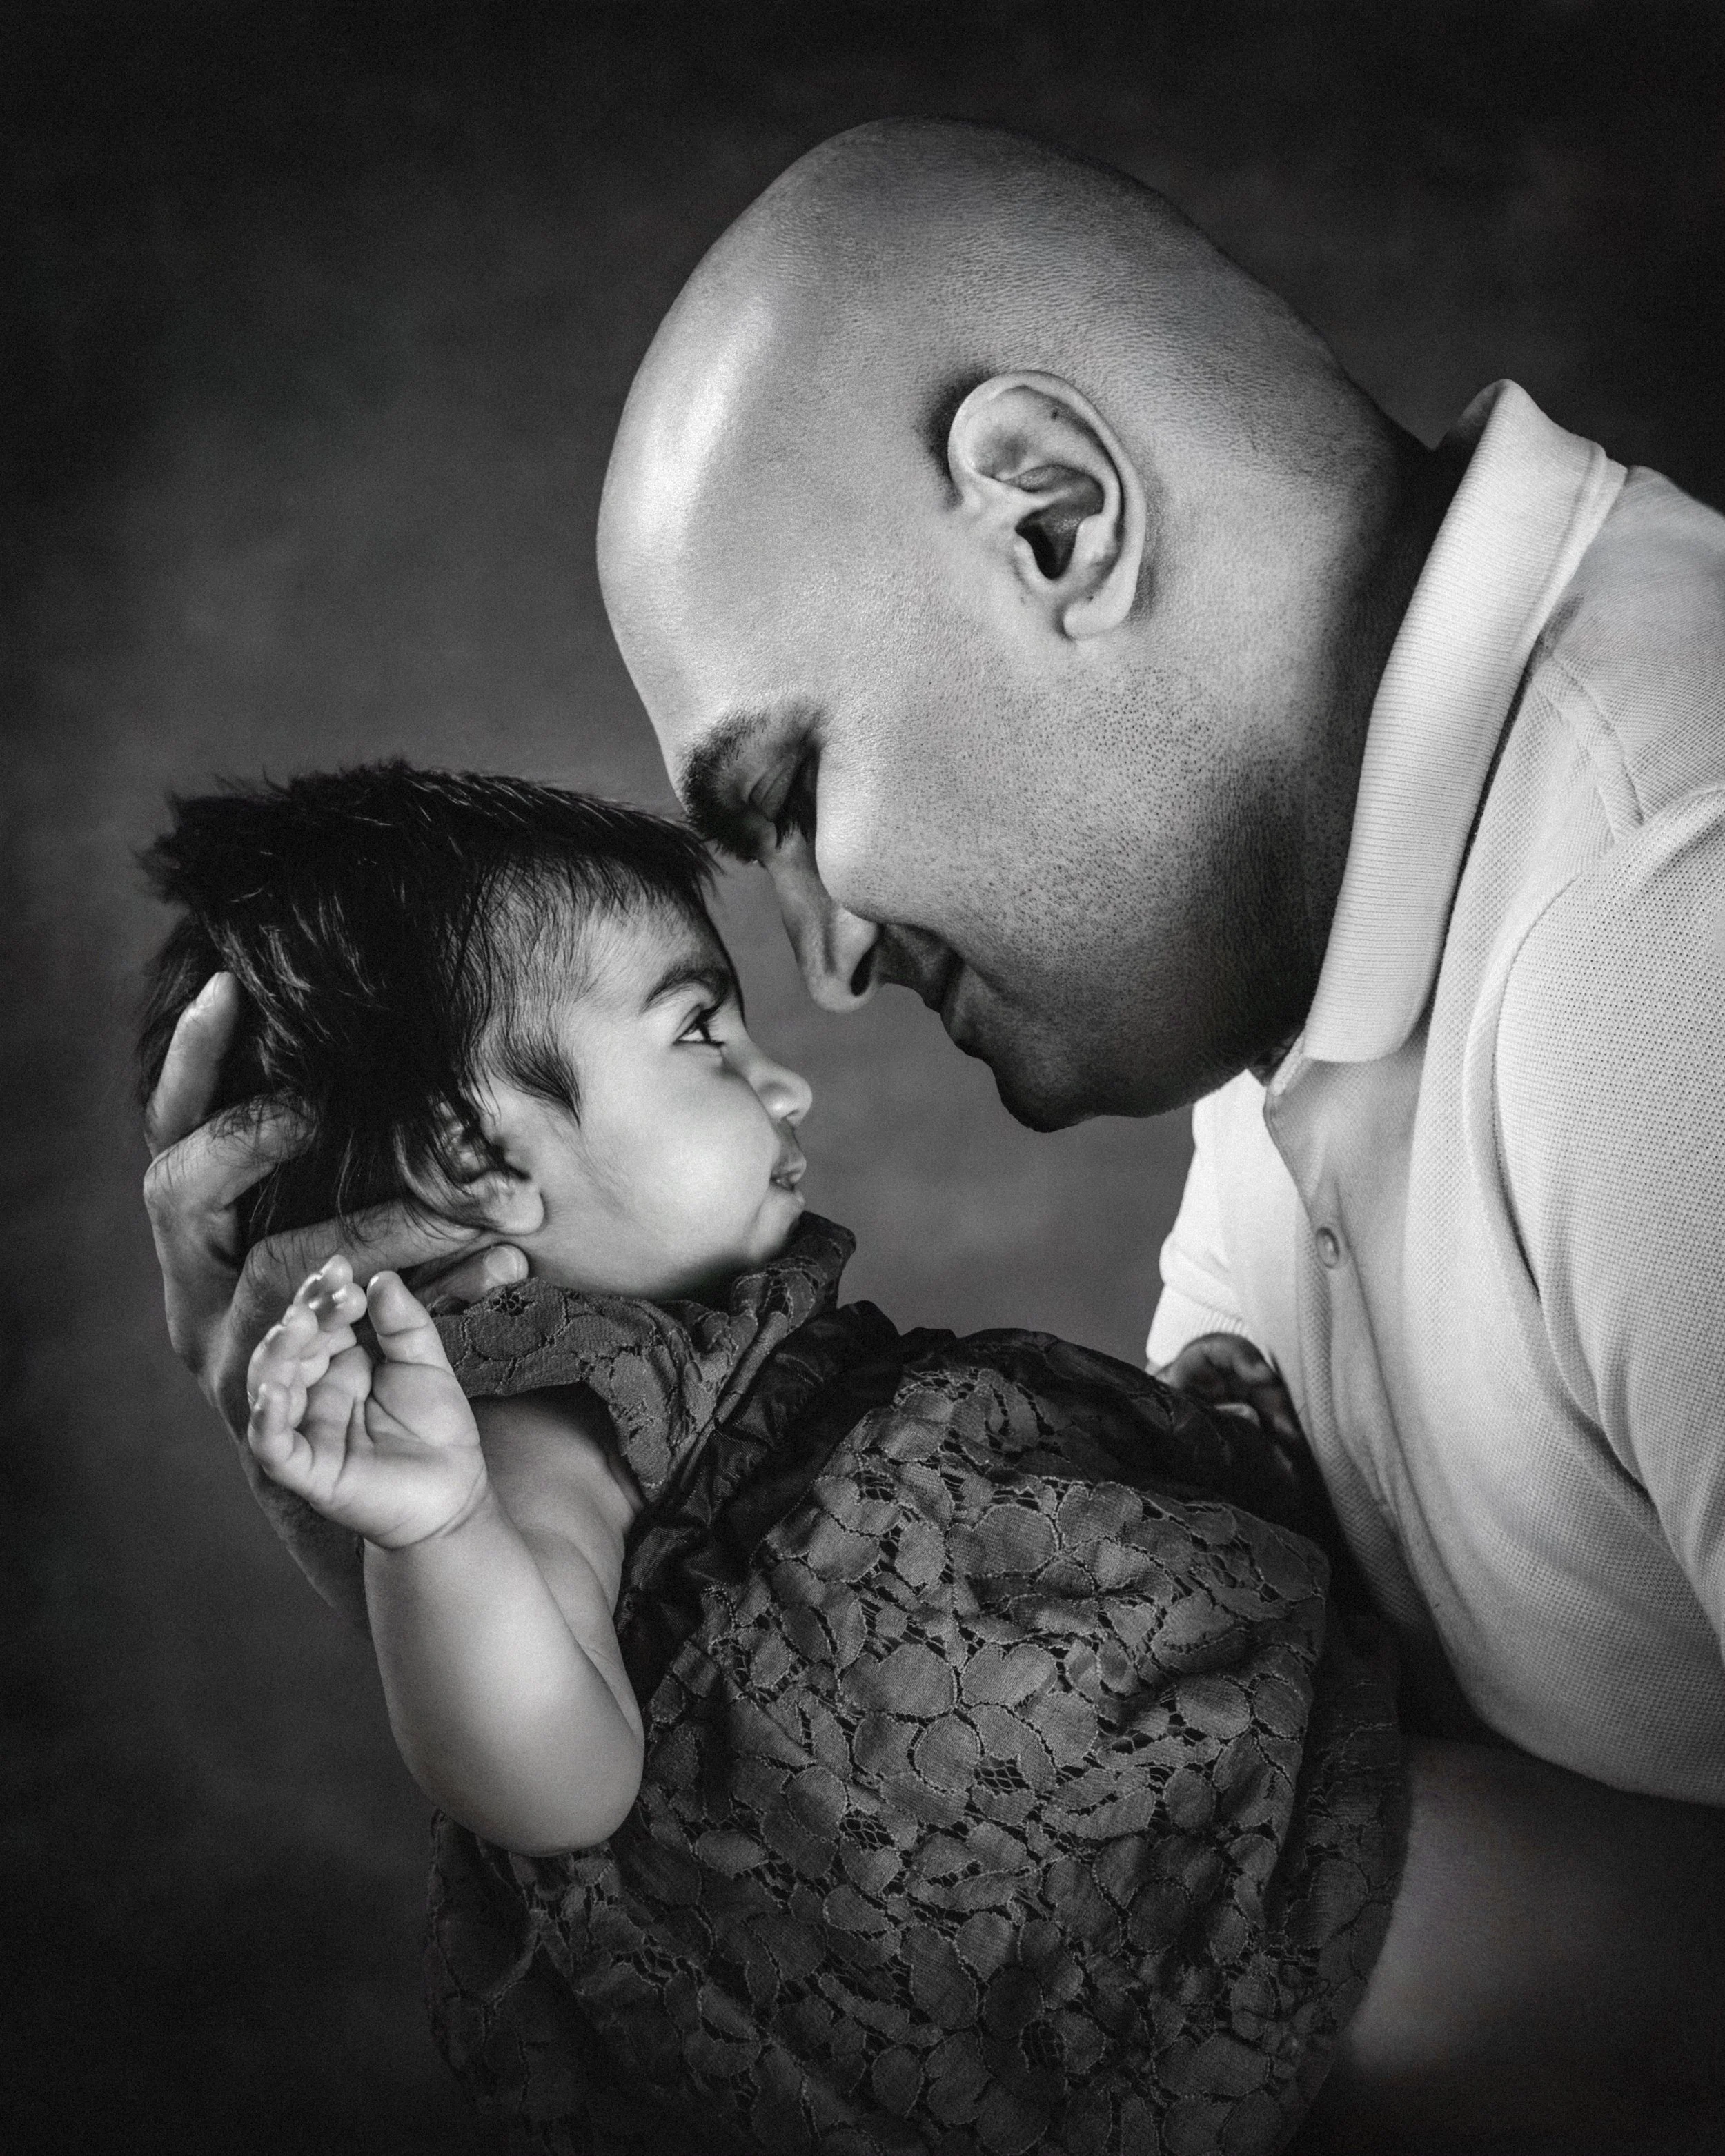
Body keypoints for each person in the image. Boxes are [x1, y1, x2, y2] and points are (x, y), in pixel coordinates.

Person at [141, 122, 1725, 2146]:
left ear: (1054, 519)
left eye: (790, 789)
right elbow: (1208, 1857)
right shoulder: (1313, 961)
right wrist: (433, 1520)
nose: (821, 960)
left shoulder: (1664, 930)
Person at [141, 762, 1402, 2156]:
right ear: (469, 1147)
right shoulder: (524, 1417)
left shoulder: (677, 1360)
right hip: (1106, 1929)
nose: (781, 1080)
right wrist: (435, 1534)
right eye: (699, 1036)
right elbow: (557, 1784)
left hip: (1154, 1844)